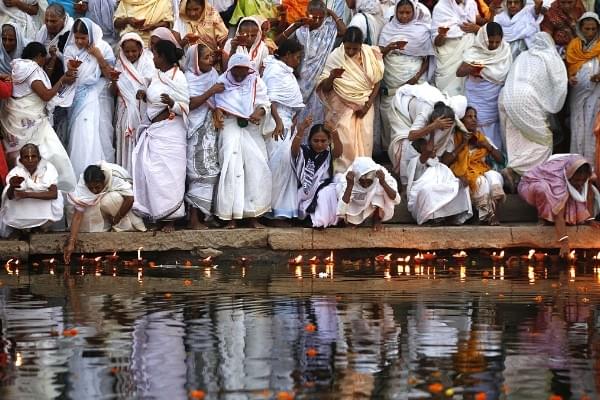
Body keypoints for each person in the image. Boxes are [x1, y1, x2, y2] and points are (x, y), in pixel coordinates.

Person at [1, 42, 77, 192]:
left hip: (16, 117)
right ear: (40, 56)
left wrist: (53, 60)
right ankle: (50, 189)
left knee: (20, 158)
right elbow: (45, 95)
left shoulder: (18, 67)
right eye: (44, 59)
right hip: (33, 121)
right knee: (52, 154)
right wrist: (62, 80)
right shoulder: (32, 69)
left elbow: (35, 85)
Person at [499, 32, 568, 193]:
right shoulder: (551, 57)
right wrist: (553, 102)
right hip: (527, 97)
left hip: (506, 95)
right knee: (544, 140)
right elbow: (559, 84)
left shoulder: (523, 55)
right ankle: (517, 171)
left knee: (517, 138)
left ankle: (517, 176)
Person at [132, 40, 189, 232]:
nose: (153, 58)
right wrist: (144, 95)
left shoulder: (179, 77)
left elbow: (186, 105)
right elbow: (154, 99)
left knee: (171, 176)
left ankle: (171, 220)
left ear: (163, 57)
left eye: (155, 55)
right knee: (153, 173)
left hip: (172, 132)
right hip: (154, 130)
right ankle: (157, 215)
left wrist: (173, 104)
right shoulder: (155, 76)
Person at [212, 53, 273, 228]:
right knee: (231, 168)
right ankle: (231, 217)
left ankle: (253, 216)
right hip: (230, 126)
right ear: (230, 68)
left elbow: (265, 104)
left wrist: (258, 113)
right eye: (236, 70)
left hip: (252, 129)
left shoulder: (256, 82)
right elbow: (217, 105)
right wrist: (219, 112)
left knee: (256, 169)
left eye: (243, 70)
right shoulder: (222, 82)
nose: (240, 74)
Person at [317, 26, 384, 173]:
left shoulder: (369, 54)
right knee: (343, 142)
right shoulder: (335, 57)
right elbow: (326, 88)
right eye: (348, 48)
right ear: (343, 44)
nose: (351, 52)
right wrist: (332, 76)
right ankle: (342, 177)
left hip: (365, 105)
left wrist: (367, 105)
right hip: (340, 107)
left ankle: (363, 175)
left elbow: (377, 80)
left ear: (361, 45)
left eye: (355, 49)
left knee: (365, 139)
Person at [276, 0, 346, 125]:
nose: (317, 21)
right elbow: (278, 42)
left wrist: (332, 13)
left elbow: (345, 33)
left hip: (315, 84)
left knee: (310, 120)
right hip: (297, 80)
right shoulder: (300, 28)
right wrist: (295, 26)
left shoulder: (328, 30)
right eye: (313, 17)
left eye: (321, 17)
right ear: (307, 13)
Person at [62, 18, 116, 178]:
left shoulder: (103, 47)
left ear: (91, 35)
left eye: (83, 38)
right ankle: (80, 177)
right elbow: (69, 79)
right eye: (76, 37)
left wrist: (98, 56)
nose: (79, 41)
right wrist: (70, 71)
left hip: (98, 95)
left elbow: (111, 75)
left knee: (97, 134)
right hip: (76, 97)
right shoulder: (70, 49)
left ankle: (100, 177)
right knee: (80, 135)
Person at [378, 0, 433, 152]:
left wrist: (416, 77)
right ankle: (391, 152)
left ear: (414, 12)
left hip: (414, 79)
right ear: (395, 12)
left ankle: (413, 152)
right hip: (392, 79)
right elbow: (378, 54)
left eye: (408, 12)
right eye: (401, 12)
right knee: (389, 113)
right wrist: (390, 47)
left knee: (412, 113)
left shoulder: (422, 30)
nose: (404, 16)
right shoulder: (388, 28)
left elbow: (427, 59)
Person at [63, 162, 146, 263]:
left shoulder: (114, 177)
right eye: (90, 188)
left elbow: (130, 199)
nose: (94, 191)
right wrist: (72, 242)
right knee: (76, 207)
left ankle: (121, 226)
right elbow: (78, 215)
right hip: (103, 208)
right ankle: (106, 225)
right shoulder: (83, 184)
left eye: (97, 187)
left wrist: (117, 218)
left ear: (104, 181)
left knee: (109, 200)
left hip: (122, 203)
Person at [386, 82, 467, 185]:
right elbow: (411, 136)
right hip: (403, 111)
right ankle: (403, 181)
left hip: (426, 143)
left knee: (429, 153)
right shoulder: (425, 112)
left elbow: (434, 146)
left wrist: (433, 130)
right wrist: (432, 127)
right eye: (440, 128)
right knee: (403, 144)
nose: (442, 131)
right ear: (432, 119)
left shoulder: (451, 117)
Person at [518, 154, 600, 256]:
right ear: (570, 176)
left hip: (565, 182)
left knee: (578, 190)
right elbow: (559, 215)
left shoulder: (586, 172)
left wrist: (590, 219)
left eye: (582, 180)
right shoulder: (558, 182)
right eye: (577, 180)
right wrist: (564, 243)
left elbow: (589, 194)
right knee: (542, 189)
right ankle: (545, 217)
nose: (580, 183)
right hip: (530, 185)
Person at [405, 101, 473, 225]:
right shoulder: (418, 162)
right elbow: (427, 147)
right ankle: (434, 217)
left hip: (439, 186)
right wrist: (433, 129)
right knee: (429, 191)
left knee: (460, 186)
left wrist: (458, 180)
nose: (434, 148)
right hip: (425, 191)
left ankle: (450, 216)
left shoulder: (437, 163)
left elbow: (445, 173)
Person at [262, 39, 305, 222]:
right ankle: (272, 211)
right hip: (276, 124)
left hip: (288, 123)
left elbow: (292, 103)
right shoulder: (274, 70)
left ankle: (283, 210)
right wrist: (278, 121)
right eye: (296, 57)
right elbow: (269, 99)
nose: (298, 60)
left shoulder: (287, 72)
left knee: (286, 167)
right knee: (277, 167)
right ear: (287, 55)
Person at [184, 44, 223, 229]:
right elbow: (191, 104)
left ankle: (206, 215)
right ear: (195, 61)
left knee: (213, 171)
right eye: (206, 57)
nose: (211, 60)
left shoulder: (214, 75)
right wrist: (211, 92)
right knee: (199, 174)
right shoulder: (188, 78)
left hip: (210, 130)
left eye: (211, 56)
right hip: (196, 130)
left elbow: (219, 100)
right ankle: (193, 219)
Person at [457, 22, 512, 151]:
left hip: (493, 99)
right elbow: (459, 72)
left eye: (496, 42)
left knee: (493, 130)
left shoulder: (505, 51)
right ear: (482, 39)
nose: (493, 45)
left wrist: (485, 72)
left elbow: (506, 75)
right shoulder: (473, 52)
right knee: (473, 124)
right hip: (475, 97)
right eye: (490, 42)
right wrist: (472, 68)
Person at [449, 107, 504, 224]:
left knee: (494, 176)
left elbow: (501, 160)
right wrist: (463, 144)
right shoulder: (454, 139)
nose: (474, 120)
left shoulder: (483, 138)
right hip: (463, 173)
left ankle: (495, 214)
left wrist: (487, 145)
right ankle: (486, 216)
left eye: (475, 117)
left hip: (482, 170)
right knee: (480, 181)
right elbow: (445, 162)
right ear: (462, 122)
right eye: (469, 117)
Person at [111, 32, 155, 174]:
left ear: (141, 49)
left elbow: (152, 85)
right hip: (124, 109)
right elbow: (114, 92)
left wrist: (143, 92)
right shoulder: (119, 65)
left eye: (134, 51)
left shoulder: (148, 62)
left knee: (141, 139)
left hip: (142, 109)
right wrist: (113, 80)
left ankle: (140, 175)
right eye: (127, 51)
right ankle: (126, 173)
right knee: (125, 138)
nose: (130, 54)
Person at [0, 144, 63, 237]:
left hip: (42, 209)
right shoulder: (16, 172)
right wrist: (12, 186)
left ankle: (39, 227)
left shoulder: (48, 169)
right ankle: (20, 228)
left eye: (33, 157)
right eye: (26, 157)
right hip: (22, 210)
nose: (30, 160)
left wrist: (26, 195)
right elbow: (9, 197)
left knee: (58, 196)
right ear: (21, 160)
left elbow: (53, 194)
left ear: (39, 158)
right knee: (6, 193)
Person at [291, 119, 343, 228]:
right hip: (305, 190)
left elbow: (338, 152)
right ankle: (310, 218)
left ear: (329, 141)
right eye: (316, 140)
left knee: (327, 192)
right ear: (310, 140)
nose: (319, 144)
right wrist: (301, 130)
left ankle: (324, 220)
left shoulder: (328, 153)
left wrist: (334, 131)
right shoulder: (304, 151)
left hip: (324, 187)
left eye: (323, 141)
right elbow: (294, 151)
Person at [566, 12, 600, 165]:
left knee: (593, 124)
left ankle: (592, 164)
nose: (590, 32)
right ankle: (577, 163)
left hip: (596, 92)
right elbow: (569, 67)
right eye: (587, 29)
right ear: (580, 28)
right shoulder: (574, 45)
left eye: (593, 29)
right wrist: (570, 77)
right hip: (577, 91)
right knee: (577, 122)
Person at [431, 0, 481, 95]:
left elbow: (482, 24)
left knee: (467, 90)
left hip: (469, 49)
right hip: (447, 56)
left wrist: (477, 28)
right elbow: (437, 42)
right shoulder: (440, 8)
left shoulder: (470, 4)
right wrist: (442, 34)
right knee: (446, 93)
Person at [337, 156, 400, 230]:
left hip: (373, 203)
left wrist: (383, 183)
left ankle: (376, 218)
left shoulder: (381, 174)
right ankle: (354, 221)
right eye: (362, 182)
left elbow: (396, 200)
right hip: (357, 202)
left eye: (369, 182)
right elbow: (341, 210)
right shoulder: (349, 178)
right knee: (347, 196)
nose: (365, 185)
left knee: (380, 190)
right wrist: (349, 186)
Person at [35, 4, 74, 84]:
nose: (49, 24)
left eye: (53, 21)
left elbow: (71, 59)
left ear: (63, 19)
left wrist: (56, 55)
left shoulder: (72, 32)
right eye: (46, 20)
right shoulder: (44, 29)